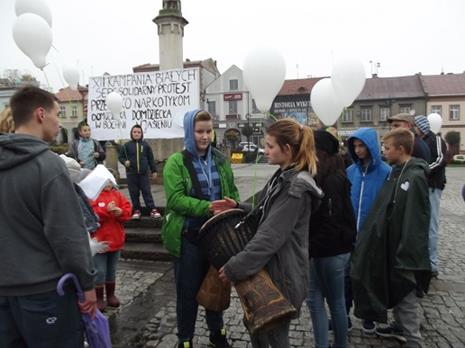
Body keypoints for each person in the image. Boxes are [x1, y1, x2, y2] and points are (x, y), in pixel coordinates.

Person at [0, 86, 96, 347]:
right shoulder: (48, 165)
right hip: (45, 293)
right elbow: (68, 236)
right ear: (41, 114)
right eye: (57, 112)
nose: (59, 120)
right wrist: (87, 284)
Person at [216, 118, 324, 348]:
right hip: (270, 271)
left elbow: (269, 237)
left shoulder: (296, 188)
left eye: (270, 146)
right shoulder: (282, 176)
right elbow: (262, 207)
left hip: (282, 276)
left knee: (274, 337)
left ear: (287, 149)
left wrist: (235, 267)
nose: (265, 150)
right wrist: (237, 205)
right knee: (259, 333)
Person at [162, 110, 240, 348]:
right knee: (187, 293)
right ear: (189, 132)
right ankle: (185, 339)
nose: (205, 137)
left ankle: (218, 333)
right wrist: (208, 207)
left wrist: (232, 205)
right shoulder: (177, 162)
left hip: (217, 237)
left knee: (215, 288)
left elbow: (233, 191)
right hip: (190, 237)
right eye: (199, 132)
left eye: (208, 131)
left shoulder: (220, 159)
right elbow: (175, 199)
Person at [351, 128, 431, 347]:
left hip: (404, 253)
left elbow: (415, 221)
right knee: (397, 293)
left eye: (387, 148)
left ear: (401, 149)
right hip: (392, 245)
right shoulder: (399, 171)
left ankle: (414, 341)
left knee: (406, 297)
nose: (384, 152)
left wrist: (405, 254)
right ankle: (399, 328)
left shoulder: (413, 177)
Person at [307, 130, 356, 348]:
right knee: (325, 301)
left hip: (329, 251)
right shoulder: (331, 174)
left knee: (326, 301)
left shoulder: (332, 180)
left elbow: (332, 221)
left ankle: (335, 345)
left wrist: (308, 246)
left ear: (320, 152)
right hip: (331, 249)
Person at [345, 127, 391, 334]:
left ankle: (369, 316)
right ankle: (342, 314)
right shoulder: (350, 172)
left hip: (372, 236)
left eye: (362, 145)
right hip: (349, 235)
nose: (358, 150)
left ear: (371, 146)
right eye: (354, 146)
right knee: (345, 277)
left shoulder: (386, 173)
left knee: (367, 278)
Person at [414, 116, 447, 277]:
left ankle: (432, 264)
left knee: (431, 226)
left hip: (433, 186)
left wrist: (422, 170)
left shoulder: (437, 140)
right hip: (420, 187)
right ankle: (421, 261)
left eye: (416, 126)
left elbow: (440, 160)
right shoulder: (417, 141)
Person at [91, 178, 132, 310]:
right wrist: (106, 211)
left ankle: (110, 295)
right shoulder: (93, 196)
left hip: (115, 239)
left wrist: (120, 212)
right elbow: (91, 214)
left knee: (111, 270)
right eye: (104, 182)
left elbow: (127, 211)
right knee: (100, 271)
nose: (108, 185)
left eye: (109, 182)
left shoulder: (118, 195)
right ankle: (98, 298)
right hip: (100, 241)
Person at [119, 124, 161, 219]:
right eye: (134, 132)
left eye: (138, 132)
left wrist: (154, 170)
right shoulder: (126, 146)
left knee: (146, 191)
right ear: (131, 133)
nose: (136, 134)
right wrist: (125, 162)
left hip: (143, 174)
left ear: (141, 134)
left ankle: (152, 209)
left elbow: (150, 158)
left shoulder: (145, 145)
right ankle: (137, 210)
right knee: (134, 193)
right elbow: (121, 157)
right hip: (131, 174)